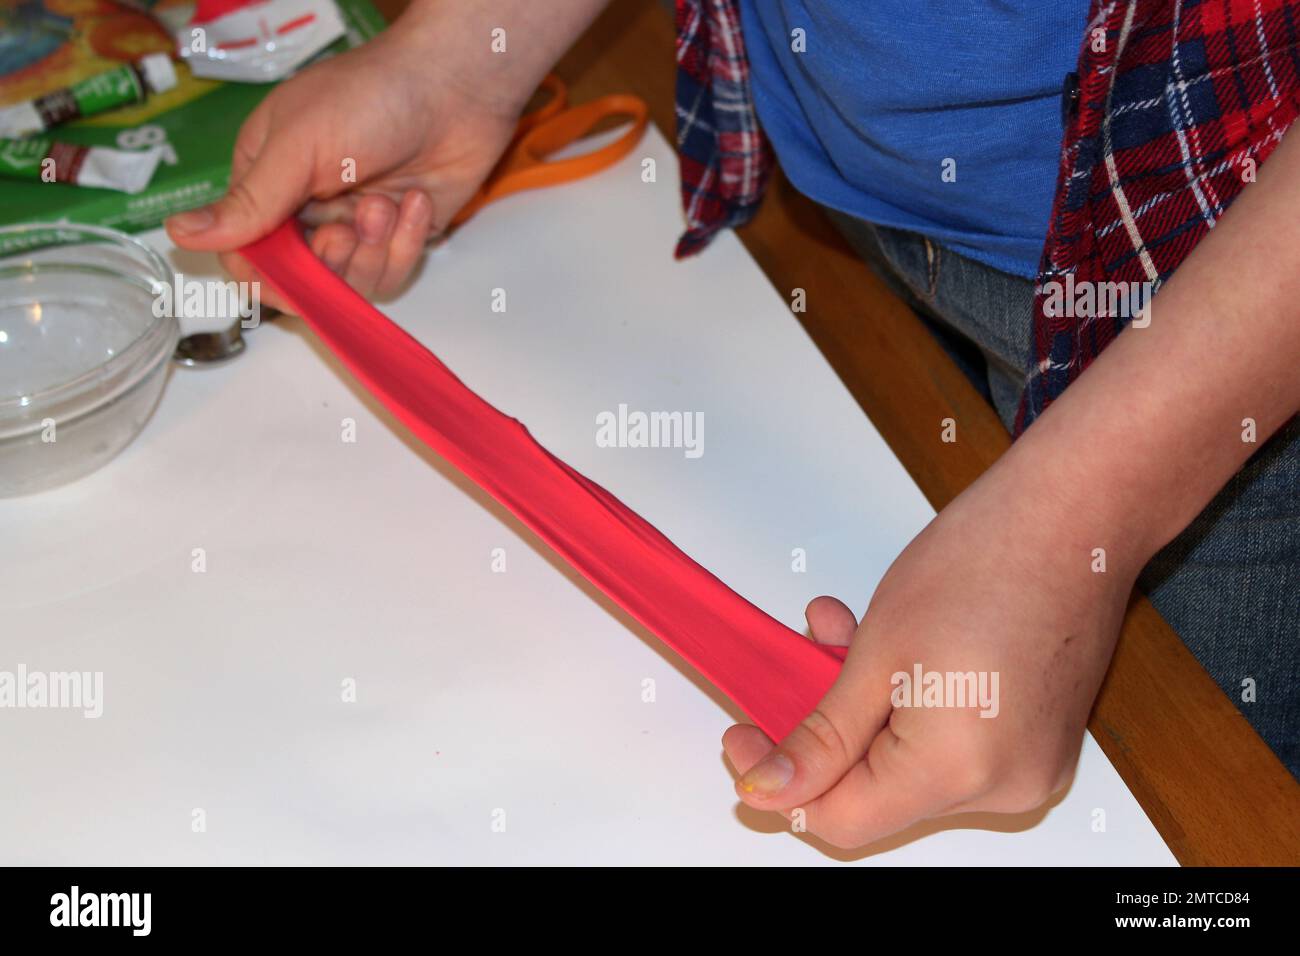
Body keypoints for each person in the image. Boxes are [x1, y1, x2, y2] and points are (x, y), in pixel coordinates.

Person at [167, 0, 1300, 850]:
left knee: (1198, 796)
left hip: (1223, 323)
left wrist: (1074, 518)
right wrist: (457, 57)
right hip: (862, 214)